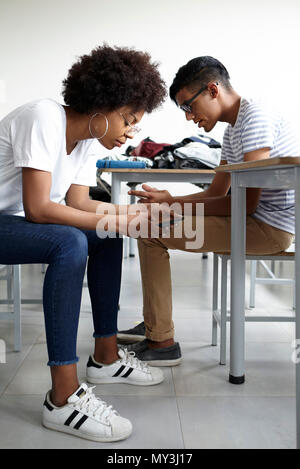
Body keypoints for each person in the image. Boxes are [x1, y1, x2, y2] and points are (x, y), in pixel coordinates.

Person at [0, 44, 167, 443]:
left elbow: (78, 202)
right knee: (70, 243)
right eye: (128, 119)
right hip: (12, 221)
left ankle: (106, 358)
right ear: (101, 104)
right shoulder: (43, 117)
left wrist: (131, 216)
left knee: (103, 231)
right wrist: (120, 220)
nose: (131, 132)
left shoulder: (89, 139)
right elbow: (39, 208)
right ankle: (62, 398)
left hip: (15, 223)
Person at [119, 55, 300, 366]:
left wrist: (172, 206)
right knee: (152, 224)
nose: (189, 118)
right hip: (251, 220)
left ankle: (161, 340)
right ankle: (155, 322)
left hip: (268, 229)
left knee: (150, 233)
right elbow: (217, 194)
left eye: (188, 106)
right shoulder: (233, 130)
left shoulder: (256, 117)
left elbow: (244, 203)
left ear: (213, 90)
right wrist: (169, 202)